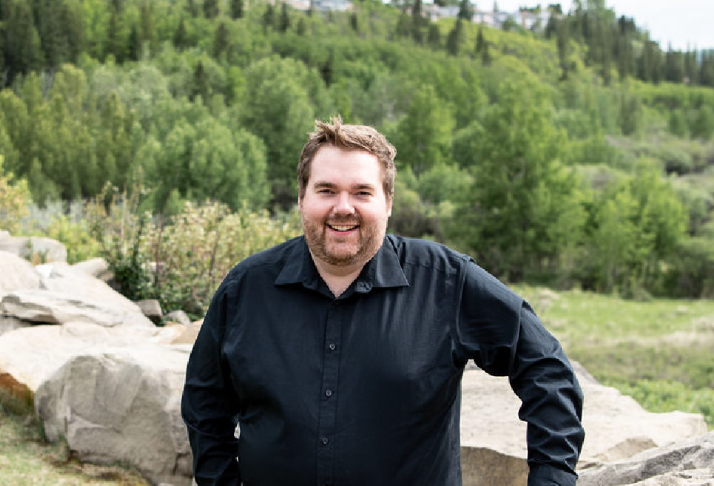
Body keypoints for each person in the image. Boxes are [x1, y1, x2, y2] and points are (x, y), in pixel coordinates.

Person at [181, 117, 584, 486]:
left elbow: (546, 369)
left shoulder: (446, 282)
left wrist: (553, 478)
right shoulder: (246, 288)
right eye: (326, 190)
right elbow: (205, 403)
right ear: (302, 198)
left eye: (361, 192)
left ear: (387, 202)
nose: (343, 207)